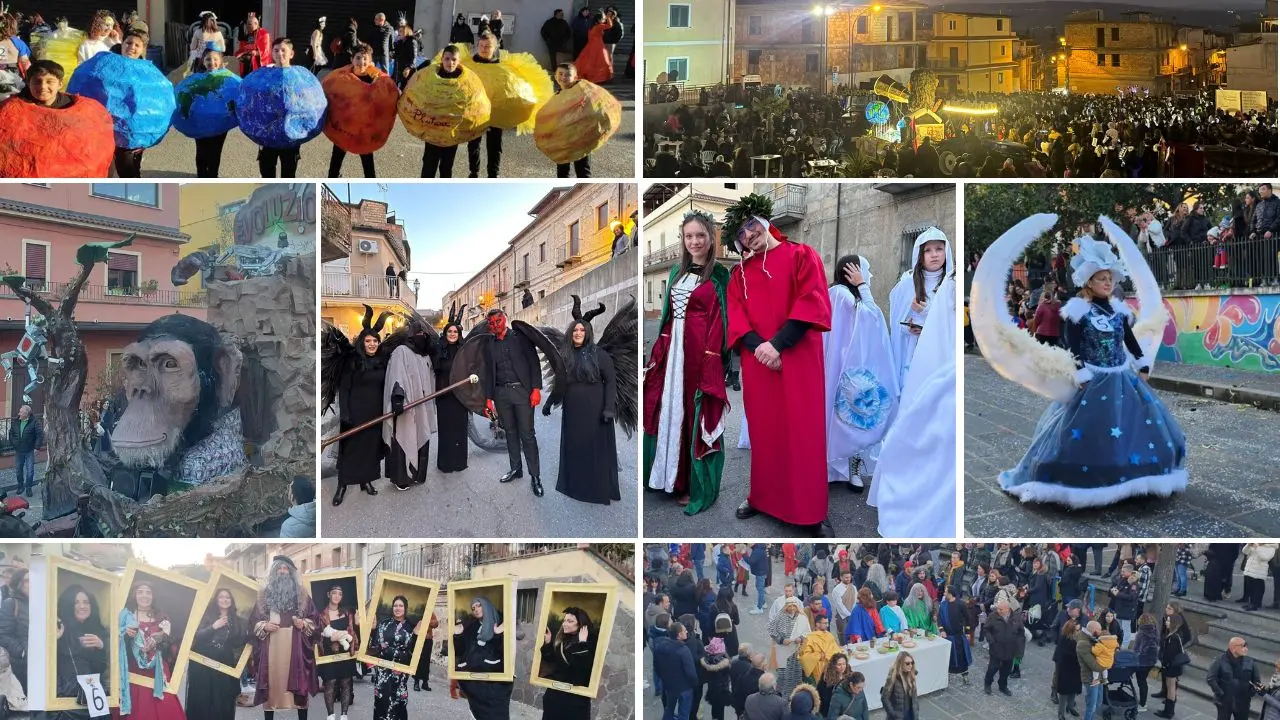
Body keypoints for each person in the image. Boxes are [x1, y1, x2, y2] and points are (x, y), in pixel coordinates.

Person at [997, 231, 1188, 506]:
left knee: (1135, 428)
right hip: (1093, 381)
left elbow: (1129, 339)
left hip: (1122, 377)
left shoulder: (1120, 311)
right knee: (1088, 432)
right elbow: (1070, 344)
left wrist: (1141, 360)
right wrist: (1080, 371)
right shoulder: (1079, 311)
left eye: (1110, 278)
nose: (1107, 283)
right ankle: (1086, 481)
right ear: (1089, 282)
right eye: (1101, 278)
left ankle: (1131, 478)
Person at [723, 194, 834, 536]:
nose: (749, 236)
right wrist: (762, 349)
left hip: (797, 356)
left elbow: (812, 301)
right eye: (742, 235)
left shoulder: (802, 255)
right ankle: (763, 498)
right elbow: (737, 320)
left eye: (751, 227)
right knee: (765, 433)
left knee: (803, 433)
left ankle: (809, 511)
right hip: (760, 363)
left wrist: (778, 344)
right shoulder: (738, 274)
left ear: (763, 221)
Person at [644, 210, 731, 513]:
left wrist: (711, 360)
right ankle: (666, 475)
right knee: (667, 408)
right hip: (672, 351)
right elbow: (668, 315)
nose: (694, 241)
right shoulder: (674, 273)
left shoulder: (719, 275)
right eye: (689, 236)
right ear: (683, 240)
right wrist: (661, 349)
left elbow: (720, 320)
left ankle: (690, 483)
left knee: (693, 413)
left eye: (700, 236)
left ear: (711, 239)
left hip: (699, 353)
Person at [823, 254, 897, 490]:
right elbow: (872, 317)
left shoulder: (839, 294)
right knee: (846, 418)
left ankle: (848, 466)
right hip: (843, 366)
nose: (870, 275)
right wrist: (862, 285)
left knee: (847, 418)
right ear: (852, 272)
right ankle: (836, 466)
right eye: (866, 270)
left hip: (849, 364)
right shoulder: (842, 295)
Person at [555, 311, 621, 504]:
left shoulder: (600, 354)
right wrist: (551, 402)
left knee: (594, 448)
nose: (578, 332)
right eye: (575, 329)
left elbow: (610, 382)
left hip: (595, 409)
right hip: (572, 410)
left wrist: (609, 408)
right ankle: (576, 485)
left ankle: (594, 489)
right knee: (576, 446)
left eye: (582, 329)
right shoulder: (565, 355)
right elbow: (560, 383)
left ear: (588, 332)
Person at [481, 308, 545, 496]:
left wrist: (536, 389)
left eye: (497, 321)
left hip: (522, 392)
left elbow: (534, 363)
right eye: (491, 323)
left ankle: (535, 477)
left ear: (505, 319)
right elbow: (487, 373)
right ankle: (516, 469)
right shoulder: (489, 345)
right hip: (501, 394)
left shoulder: (520, 338)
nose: (495, 325)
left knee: (527, 435)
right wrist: (488, 399)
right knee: (510, 432)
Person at [249, 556, 319, 720]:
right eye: (279, 568)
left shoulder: (302, 595)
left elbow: (315, 620)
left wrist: (304, 623)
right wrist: (264, 626)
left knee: (299, 687)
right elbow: (253, 621)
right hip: (271, 646)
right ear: (274, 572)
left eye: (286, 568)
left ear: (291, 572)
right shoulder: (264, 595)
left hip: (295, 646)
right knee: (271, 687)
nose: (282, 571)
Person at [332, 309, 390, 505]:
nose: (372, 344)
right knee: (350, 450)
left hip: (375, 414)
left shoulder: (382, 362)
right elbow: (345, 389)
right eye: (368, 341)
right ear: (362, 342)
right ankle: (342, 485)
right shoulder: (353, 362)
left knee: (370, 450)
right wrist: (345, 414)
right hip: (354, 414)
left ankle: (366, 481)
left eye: (375, 341)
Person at [887, 227, 952, 386]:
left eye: (939, 249)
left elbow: (953, 321)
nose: (934, 254)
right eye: (928, 250)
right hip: (912, 350)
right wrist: (908, 327)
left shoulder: (952, 284)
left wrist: (925, 314)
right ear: (920, 255)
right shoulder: (907, 284)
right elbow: (896, 320)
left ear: (946, 251)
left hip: (940, 352)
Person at [118, 579, 187, 720]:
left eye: (148, 592)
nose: (144, 596)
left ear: (153, 596)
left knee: (164, 707)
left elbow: (171, 646)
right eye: (140, 592)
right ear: (134, 595)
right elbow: (115, 640)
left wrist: (160, 640)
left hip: (158, 671)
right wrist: (125, 634)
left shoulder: (162, 617)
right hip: (133, 670)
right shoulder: (126, 615)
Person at [382, 320, 437, 490]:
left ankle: (418, 475)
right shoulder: (401, 352)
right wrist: (398, 397)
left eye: (423, 335)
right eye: (418, 334)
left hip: (422, 406)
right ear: (411, 336)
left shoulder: (425, 356)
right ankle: (402, 478)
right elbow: (396, 375)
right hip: (406, 406)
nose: (421, 337)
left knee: (422, 434)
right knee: (404, 438)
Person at [326, 43, 386, 178]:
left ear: (370, 61)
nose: (361, 62)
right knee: (335, 163)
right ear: (351, 59)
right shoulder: (342, 77)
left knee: (368, 166)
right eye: (358, 58)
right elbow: (331, 94)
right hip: (344, 128)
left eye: (365, 58)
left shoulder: (376, 79)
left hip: (364, 129)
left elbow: (386, 97)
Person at [187, 588, 246, 720]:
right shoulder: (206, 616)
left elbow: (237, 644)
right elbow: (196, 636)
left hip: (224, 666)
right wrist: (214, 626)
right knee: (202, 701)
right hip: (203, 666)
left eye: (227, 597)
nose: (225, 600)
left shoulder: (237, 620)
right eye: (221, 597)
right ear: (216, 600)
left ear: (231, 601)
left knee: (223, 701)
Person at [454, 597, 513, 718]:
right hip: (475, 685)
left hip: (494, 684)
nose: (475, 609)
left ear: (486, 605)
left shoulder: (501, 623)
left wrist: (498, 634)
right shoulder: (471, 626)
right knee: (477, 715)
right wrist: (458, 635)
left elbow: (505, 653)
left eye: (478, 605)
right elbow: (461, 651)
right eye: (473, 608)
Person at [256, 39, 305, 178]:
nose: (280, 53)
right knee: (266, 171)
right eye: (276, 50)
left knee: (289, 174)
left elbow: (307, 102)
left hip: (291, 134)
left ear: (292, 53)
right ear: (272, 53)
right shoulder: (264, 75)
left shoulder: (300, 77)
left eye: (284, 50)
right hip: (268, 133)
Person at [417, 44, 467, 177]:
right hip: (433, 129)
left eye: (454, 60)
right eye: (447, 59)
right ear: (442, 59)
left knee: (446, 167)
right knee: (428, 166)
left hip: (451, 132)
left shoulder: (464, 79)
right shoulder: (433, 75)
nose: (450, 62)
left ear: (458, 61)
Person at [56, 584, 110, 705]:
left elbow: (99, 669)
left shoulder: (98, 631)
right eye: (76, 602)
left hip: (92, 695)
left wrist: (101, 647)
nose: (82, 606)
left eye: (86, 602)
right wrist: (56, 640)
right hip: (65, 696)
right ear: (68, 605)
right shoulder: (58, 627)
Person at [540, 607, 598, 719]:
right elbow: (554, 662)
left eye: (570, 621)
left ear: (581, 625)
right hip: (556, 694)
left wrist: (582, 643)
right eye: (564, 620)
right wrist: (548, 644)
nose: (564, 624)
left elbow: (583, 670)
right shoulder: (563, 639)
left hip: (575, 699)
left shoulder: (591, 642)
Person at [315, 584, 359, 720]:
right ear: (328, 594)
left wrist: (359, 620)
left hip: (346, 654)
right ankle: (330, 715)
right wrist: (330, 638)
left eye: (340, 594)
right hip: (328, 655)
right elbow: (317, 635)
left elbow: (354, 630)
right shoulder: (321, 615)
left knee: (346, 682)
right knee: (330, 683)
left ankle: (344, 715)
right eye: (334, 593)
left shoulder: (347, 612)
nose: (337, 596)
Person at [433, 307, 469, 472]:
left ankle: (459, 462)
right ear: (445, 333)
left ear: (459, 333)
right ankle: (446, 463)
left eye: (455, 331)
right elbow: (435, 370)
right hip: (444, 396)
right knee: (446, 430)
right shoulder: (439, 350)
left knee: (460, 429)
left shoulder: (465, 350)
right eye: (450, 331)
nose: (453, 334)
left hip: (460, 396)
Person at [467, 32, 507, 178]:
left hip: (495, 111)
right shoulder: (469, 64)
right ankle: (474, 172)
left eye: (488, 46)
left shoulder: (500, 66)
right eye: (481, 46)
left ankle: (493, 174)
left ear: (495, 47)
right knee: (473, 144)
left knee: (495, 145)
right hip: (474, 111)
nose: (484, 49)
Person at [189, 48, 233, 178]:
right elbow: (187, 98)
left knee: (215, 151)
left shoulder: (228, 79)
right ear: (203, 61)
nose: (211, 62)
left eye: (215, 59)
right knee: (201, 151)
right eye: (208, 59)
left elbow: (234, 97)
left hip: (220, 124)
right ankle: (201, 176)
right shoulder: (196, 80)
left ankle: (213, 175)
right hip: (200, 122)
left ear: (221, 61)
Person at [370, 596, 416, 720]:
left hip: (400, 673)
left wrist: (391, 651)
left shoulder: (411, 627)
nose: (398, 608)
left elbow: (414, 652)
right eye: (395, 605)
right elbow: (376, 645)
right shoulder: (384, 624)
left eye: (401, 606)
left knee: (399, 703)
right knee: (381, 701)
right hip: (383, 672)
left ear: (405, 608)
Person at [550, 62, 597, 178]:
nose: (563, 78)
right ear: (555, 76)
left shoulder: (582, 93)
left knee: (583, 171)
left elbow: (590, 112)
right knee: (562, 171)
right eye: (560, 74)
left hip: (580, 138)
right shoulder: (557, 95)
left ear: (575, 77)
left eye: (567, 75)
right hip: (562, 138)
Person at [1207, 637, 1262, 720]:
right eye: (1243, 646)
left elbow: (1257, 681)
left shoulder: (1250, 662)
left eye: (1247, 646)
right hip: (1224, 701)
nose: (1246, 649)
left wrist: (1250, 694)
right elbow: (1211, 678)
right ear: (1233, 647)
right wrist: (1220, 693)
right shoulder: (1220, 660)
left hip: (1243, 702)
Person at [0, 569, 28, 694]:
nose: (32, 584)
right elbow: (3, 634)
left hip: (39, 663)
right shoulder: (11, 603)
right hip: (19, 665)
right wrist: (22, 651)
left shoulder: (42, 604)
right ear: (19, 583)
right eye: (27, 580)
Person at [984, 600, 1020, 696]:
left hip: (1010, 649)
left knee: (1006, 670)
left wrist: (1019, 645)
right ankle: (987, 683)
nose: (998, 610)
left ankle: (1003, 686)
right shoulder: (993, 616)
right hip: (996, 648)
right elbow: (986, 629)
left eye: (1001, 609)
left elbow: (1020, 632)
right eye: (998, 608)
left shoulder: (1016, 617)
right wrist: (991, 641)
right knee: (992, 668)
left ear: (1008, 610)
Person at [938, 586, 971, 681]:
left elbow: (967, 619)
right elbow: (940, 619)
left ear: (950, 593)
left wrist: (968, 632)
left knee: (961, 658)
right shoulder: (943, 604)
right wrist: (941, 630)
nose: (944, 593)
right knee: (948, 657)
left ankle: (965, 676)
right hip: (947, 636)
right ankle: (946, 677)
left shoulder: (961, 604)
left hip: (958, 637)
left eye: (945, 591)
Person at [8, 405, 42, 498]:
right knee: (18, 470)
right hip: (19, 450)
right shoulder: (15, 421)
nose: (19, 413)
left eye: (21, 412)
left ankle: (28, 488)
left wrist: (37, 447)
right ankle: (20, 486)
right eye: (19, 411)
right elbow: (11, 433)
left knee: (30, 471)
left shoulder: (34, 422)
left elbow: (39, 435)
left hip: (29, 450)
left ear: (27, 414)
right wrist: (14, 443)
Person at [1054, 619, 1083, 720]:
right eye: (1077, 630)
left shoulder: (1079, 639)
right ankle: (1060, 713)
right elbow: (1062, 655)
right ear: (1071, 631)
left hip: (1076, 669)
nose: (1079, 632)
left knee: (1073, 690)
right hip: (1066, 669)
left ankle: (1070, 707)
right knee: (1064, 693)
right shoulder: (1064, 640)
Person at [573, 11, 612, 84]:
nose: (604, 20)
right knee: (600, 62)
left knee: (589, 61)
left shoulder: (591, 27)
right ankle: (598, 78)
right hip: (598, 46)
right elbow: (609, 25)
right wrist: (608, 17)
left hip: (590, 46)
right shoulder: (599, 26)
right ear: (598, 19)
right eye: (603, 19)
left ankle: (588, 75)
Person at [702, 636, 733, 720]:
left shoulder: (708, 660)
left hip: (712, 689)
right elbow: (729, 674)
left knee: (714, 709)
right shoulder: (724, 664)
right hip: (721, 690)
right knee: (720, 711)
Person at [880, 652, 919, 720]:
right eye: (907, 663)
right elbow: (884, 698)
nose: (910, 665)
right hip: (898, 716)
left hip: (911, 715)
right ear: (901, 663)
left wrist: (916, 708)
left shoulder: (911, 675)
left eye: (912, 662)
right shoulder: (893, 678)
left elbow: (914, 697)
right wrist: (893, 714)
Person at [1242, 543, 1277, 612]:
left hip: (1259, 570)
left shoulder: (1271, 547)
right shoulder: (1256, 544)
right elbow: (1245, 552)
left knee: (1257, 588)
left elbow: (1265, 558)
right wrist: (1248, 545)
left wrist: (1257, 548)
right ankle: (1251, 602)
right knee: (1250, 587)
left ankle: (1256, 604)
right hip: (1250, 568)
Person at [411, 612, 437, 692]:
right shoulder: (418, 610)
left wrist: (427, 621)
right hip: (418, 639)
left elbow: (436, 624)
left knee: (426, 661)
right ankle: (416, 683)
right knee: (418, 661)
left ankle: (425, 683)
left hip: (428, 640)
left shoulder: (431, 612)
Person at [392, 24, 419, 90]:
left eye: (401, 31)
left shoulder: (411, 42)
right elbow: (397, 54)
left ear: (406, 32)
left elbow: (413, 57)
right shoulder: (400, 42)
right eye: (399, 31)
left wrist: (409, 68)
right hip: (398, 68)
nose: (399, 33)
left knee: (405, 89)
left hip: (406, 69)